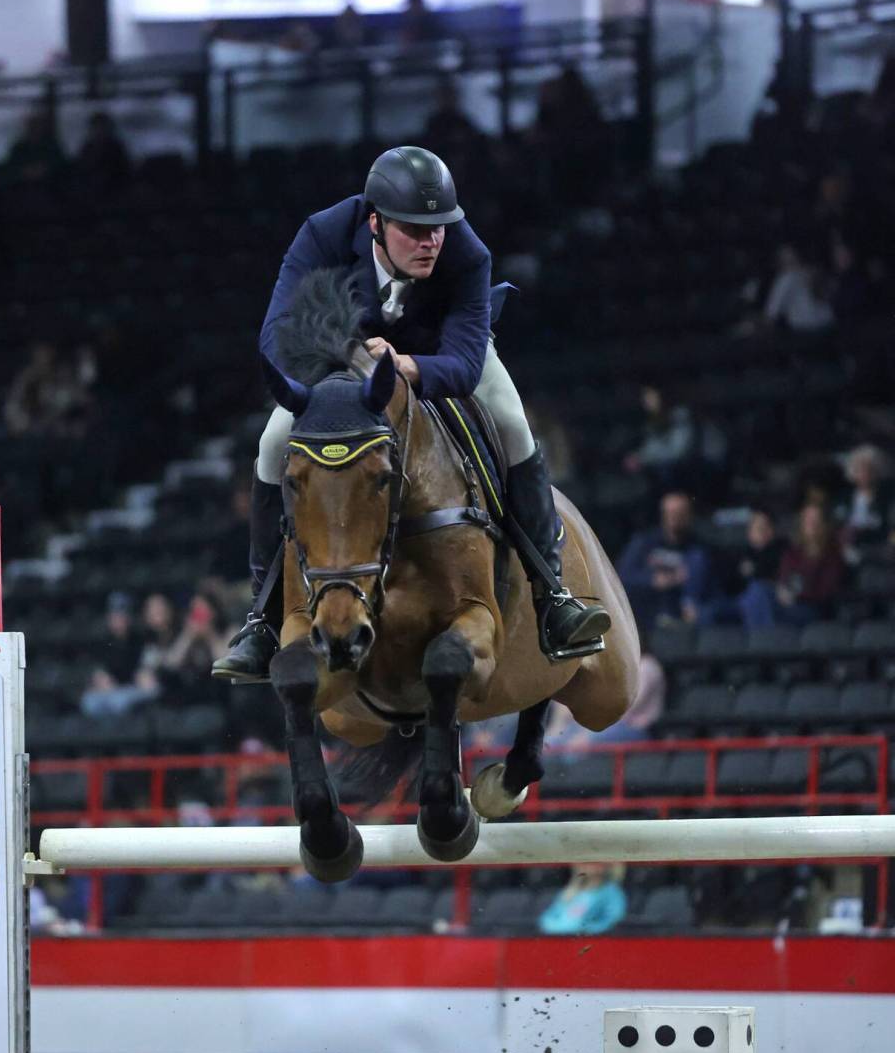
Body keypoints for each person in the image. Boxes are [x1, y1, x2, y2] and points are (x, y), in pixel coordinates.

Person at [214, 145, 610, 682]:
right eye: (414, 230)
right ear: (375, 222)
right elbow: (278, 337)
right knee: (270, 444)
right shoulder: (324, 234)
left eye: (439, 228)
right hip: (345, 359)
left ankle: (553, 595)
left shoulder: (466, 254)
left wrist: (408, 365)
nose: (430, 242)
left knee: (514, 425)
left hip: (438, 352)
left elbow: (466, 364)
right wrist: (350, 362)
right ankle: (262, 619)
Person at [618, 492, 716, 628]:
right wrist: (652, 580)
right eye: (670, 513)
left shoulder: (698, 549)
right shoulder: (644, 543)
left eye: (680, 513)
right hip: (648, 609)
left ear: (689, 515)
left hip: (684, 610)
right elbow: (624, 576)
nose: (674, 518)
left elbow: (706, 585)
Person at [538, 863, 627, 935]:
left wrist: (586, 929)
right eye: (583, 863)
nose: (585, 866)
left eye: (592, 863)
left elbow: (612, 921)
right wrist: (554, 928)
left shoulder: (611, 892)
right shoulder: (570, 890)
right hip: (558, 940)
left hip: (588, 942)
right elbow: (548, 918)